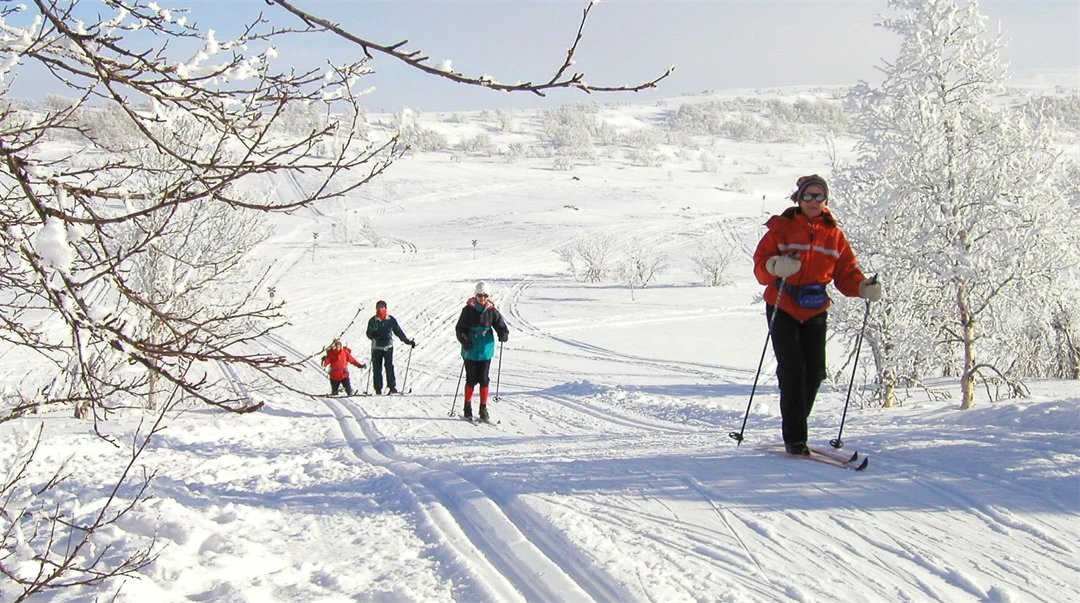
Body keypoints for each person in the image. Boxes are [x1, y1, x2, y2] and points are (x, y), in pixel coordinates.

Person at [752, 174, 882, 456]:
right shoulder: (780, 230)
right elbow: (760, 268)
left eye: (818, 196)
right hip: (782, 304)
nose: (813, 201)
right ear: (798, 199)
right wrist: (776, 265)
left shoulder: (834, 234)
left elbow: (845, 274)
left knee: (815, 373)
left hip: (815, 307)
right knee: (792, 370)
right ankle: (796, 439)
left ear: (826, 201)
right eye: (808, 196)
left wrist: (862, 287)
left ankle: (796, 420)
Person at [454, 281, 509, 422]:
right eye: (480, 295)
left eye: (485, 296)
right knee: (471, 379)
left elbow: (499, 323)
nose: (482, 298)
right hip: (471, 349)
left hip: (485, 348)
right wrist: (465, 341)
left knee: (484, 379)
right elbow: (460, 328)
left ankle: (483, 408)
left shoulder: (491, 310)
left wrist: (503, 333)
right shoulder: (467, 310)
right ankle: (467, 407)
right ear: (475, 295)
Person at [365, 300, 415, 395]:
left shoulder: (391, 320)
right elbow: (368, 333)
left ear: (386, 309)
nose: (381, 309)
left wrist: (406, 341)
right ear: (376, 309)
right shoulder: (373, 320)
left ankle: (392, 387)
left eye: (383, 307)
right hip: (376, 347)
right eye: (379, 307)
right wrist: (373, 334)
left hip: (388, 346)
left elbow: (398, 331)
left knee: (389, 366)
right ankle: (378, 389)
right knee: (377, 368)